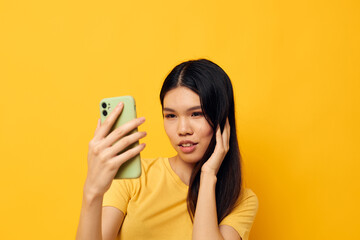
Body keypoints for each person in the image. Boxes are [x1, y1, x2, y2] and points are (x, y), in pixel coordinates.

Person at [76, 59, 258, 240]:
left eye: (196, 114)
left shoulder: (240, 201)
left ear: (222, 119)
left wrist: (208, 175)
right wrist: (92, 191)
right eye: (171, 115)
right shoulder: (134, 178)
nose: (182, 129)